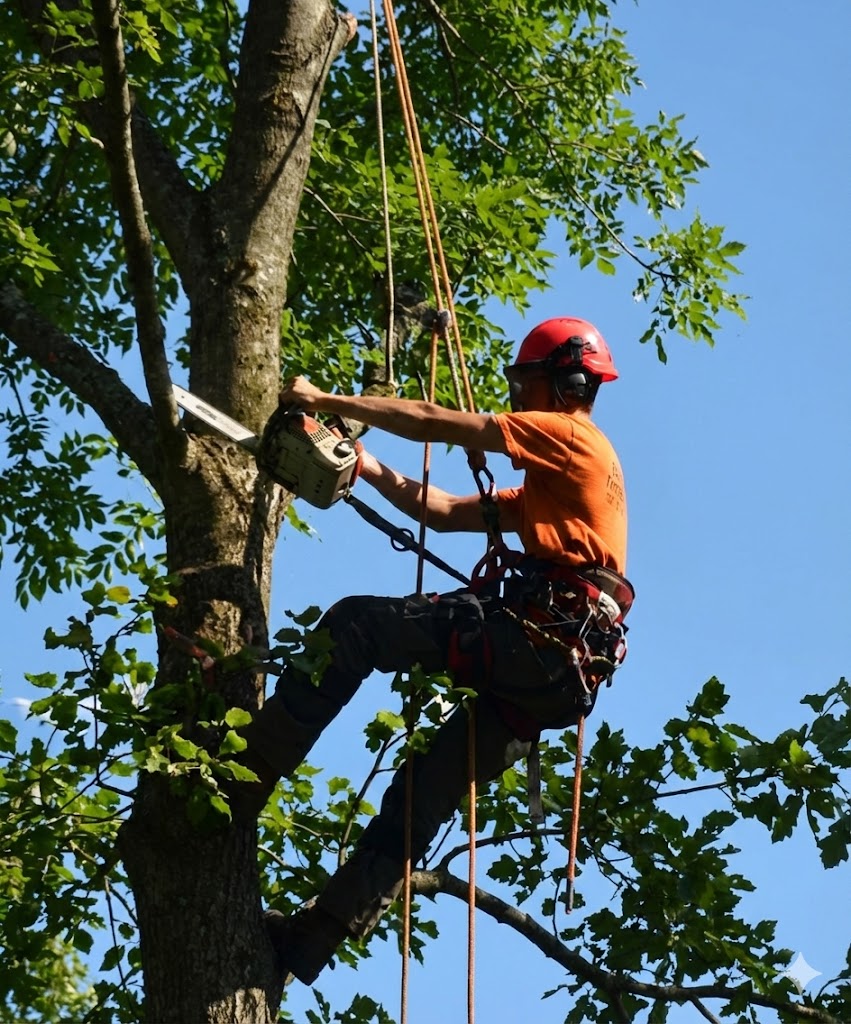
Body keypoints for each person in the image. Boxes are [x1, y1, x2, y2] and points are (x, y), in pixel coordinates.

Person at [240, 316, 631, 984]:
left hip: (539, 638)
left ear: (563, 382)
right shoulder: (556, 479)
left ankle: (241, 780)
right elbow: (446, 511)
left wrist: (323, 400)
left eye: (521, 382)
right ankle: (311, 942)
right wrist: (365, 466)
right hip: (555, 677)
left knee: (356, 626)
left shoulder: (569, 435)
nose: (513, 397)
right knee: (422, 796)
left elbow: (431, 419)